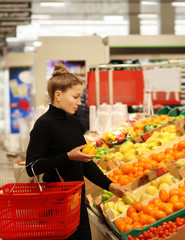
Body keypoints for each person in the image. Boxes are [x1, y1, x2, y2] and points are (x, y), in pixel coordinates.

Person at [26, 62, 129, 240]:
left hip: (77, 202)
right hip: (55, 205)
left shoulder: (74, 123)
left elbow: (86, 163)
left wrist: (110, 186)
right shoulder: (44, 124)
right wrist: (67, 157)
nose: (79, 103)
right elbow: (31, 167)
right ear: (58, 95)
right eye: (75, 97)